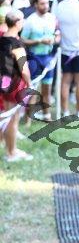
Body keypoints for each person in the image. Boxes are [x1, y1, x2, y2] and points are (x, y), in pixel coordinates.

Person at [0, 9, 32, 161]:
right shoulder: (16, 44)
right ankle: (11, 152)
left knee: (7, 116)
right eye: (22, 19)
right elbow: (24, 69)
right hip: (15, 83)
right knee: (13, 119)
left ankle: (10, 148)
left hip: (4, 81)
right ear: (17, 22)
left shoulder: (2, 39)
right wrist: (29, 83)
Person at [21, 0, 58, 121]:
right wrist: (39, 41)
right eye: (42, 4)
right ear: (36, 5)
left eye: (47, 3)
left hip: (48, 56)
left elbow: (57, 33)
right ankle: (28, 119)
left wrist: (55, 39)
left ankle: (47, 115)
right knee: (33, 89)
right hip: (35, 58)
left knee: (47, 87)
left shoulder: (52, 18)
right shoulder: (30, 20)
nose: (46, 6)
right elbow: (23, 40)